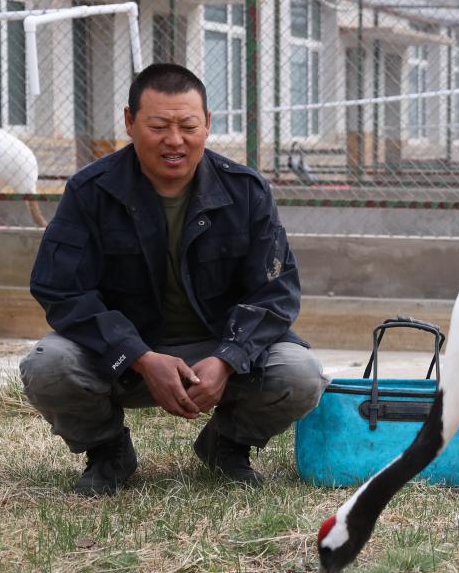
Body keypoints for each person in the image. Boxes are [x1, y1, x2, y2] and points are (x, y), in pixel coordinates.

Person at [21, 63, 327, 496]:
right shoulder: (91, 191)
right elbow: (60, 289)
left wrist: (228, 357)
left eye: (188, 125)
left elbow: (275, 293)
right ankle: (108, 451)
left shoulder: (246, 191)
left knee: (301, 374)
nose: (175, 140)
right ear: (130, 122)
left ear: (208, 125)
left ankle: (227, 446)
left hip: (215, 352)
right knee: (48, 365)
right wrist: (140, 356)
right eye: (159, 125)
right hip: (124, 355)